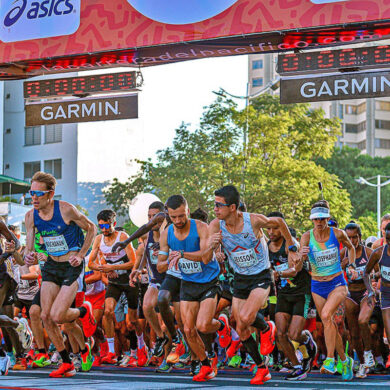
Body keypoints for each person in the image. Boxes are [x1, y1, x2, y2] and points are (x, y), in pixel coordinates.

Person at [205, 185, 298, 385]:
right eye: (214, 205)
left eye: (218, 205)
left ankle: (266, 329)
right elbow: (205, 257)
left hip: (261, 276)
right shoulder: (216, 225)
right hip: (240, 278)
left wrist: (292, 247)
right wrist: (212, 248)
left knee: (246, 318)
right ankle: (262, 368)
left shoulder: (252, 220)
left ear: (232, 207)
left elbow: (280, 222)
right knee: (239, 324)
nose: (215, 209)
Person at [24, 171, 97, 378]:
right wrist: (29, 257)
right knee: (45, 316)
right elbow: (30, 247)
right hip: (51, 268)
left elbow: (91, 228)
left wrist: (82, 255)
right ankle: (66, 363)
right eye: (32, 193)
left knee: (58, 316)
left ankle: (84, 311)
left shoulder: (66, 210)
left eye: (39, 194)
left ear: (50, 194)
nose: (34, 198)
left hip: (71, 266)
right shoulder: (31, 216)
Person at [159, 195, 223, 382]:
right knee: (188, 330)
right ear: (168, 215)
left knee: (203, 325)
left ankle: (222, 326)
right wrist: (167, 259)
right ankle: (205, 365)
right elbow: (161, 266)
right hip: (188, 282)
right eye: (173, 217)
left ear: (187, 211)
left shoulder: (201, 227)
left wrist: (180, 254)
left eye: (181, 216)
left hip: (208, 281)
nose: (178, 221)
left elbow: (205, 257)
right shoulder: (167, 233)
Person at [300, 200, 355, 380]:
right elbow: (298, 263)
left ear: (328, 218)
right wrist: (301, 256)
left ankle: (330, 359)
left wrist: (351, 264)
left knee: (325, 317)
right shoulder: (306, 237)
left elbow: (351, 247)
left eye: (323, 218)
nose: (319, 222)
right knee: (328, 322)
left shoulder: (337, 234)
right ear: (312, 220)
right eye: (316, 219)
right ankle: (346, 360)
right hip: (317, 285)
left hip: (337, 283)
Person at [88, 210, 142, 365]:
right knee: (108, 311)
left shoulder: (122, 237)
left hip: (129, 280)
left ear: (114, 224)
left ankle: (140, 346)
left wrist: (113, 267)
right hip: (114, 283)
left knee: (132, 321)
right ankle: (111, 351)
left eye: (107, 226)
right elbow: (91, 263)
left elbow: (133, 262)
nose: (104, 229)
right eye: (101, 226)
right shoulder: (99, 239)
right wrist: (104, 268)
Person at [267, 211, 316, 381]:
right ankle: (297, 366)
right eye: (269, 228)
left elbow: (294, 271)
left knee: (294, 334)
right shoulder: (266, 246)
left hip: (301, 293)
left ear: (282, 228)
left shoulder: (291, 245)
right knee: (280, 334)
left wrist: (278, 275)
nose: (271, 232)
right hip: (283, 294)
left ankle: (307, 339)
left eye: (275, 228)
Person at [342, 221, 375, 379]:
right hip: (350, 294)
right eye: (349, 238)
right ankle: (362, 363)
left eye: (354, 237)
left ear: (360, 237)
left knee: (363, 321)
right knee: (354, 334)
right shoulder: (344, 254)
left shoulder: (368, 252)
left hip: (365, 292)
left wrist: (363, 274)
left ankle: (368, 353)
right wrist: (341, 266)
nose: (352, 241)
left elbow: (379, 273)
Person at [364, 222, 390, 373]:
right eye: (388, 239)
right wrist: (370, 291)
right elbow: (366, 273)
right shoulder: (379, 253)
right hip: (386, 295)